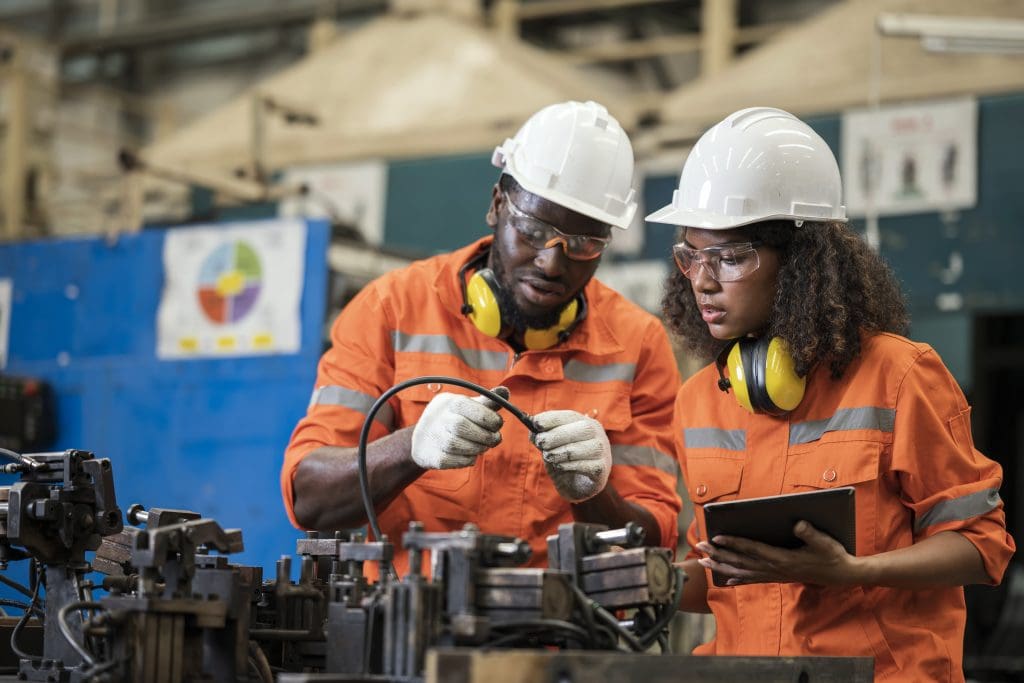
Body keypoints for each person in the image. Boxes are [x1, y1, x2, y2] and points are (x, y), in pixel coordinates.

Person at [647, 107, 1015, 681]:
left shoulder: (899, 376)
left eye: (732, 257)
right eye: (691, 254)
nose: (703, 280)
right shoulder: (701, 399)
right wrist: (646, 581)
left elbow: (982, 547)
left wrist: (850, 572)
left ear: (801, 263)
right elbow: (723, 578)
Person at [281, 100, 682, 575]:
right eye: (533, 229)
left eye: (584, 243)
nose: (552, 262)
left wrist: (595, 492)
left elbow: (655, 541)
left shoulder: (637, 345)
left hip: (562, 636)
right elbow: (310, 498)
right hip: (407, 631)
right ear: (496, 206)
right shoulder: (391, 310)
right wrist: (410, 447)